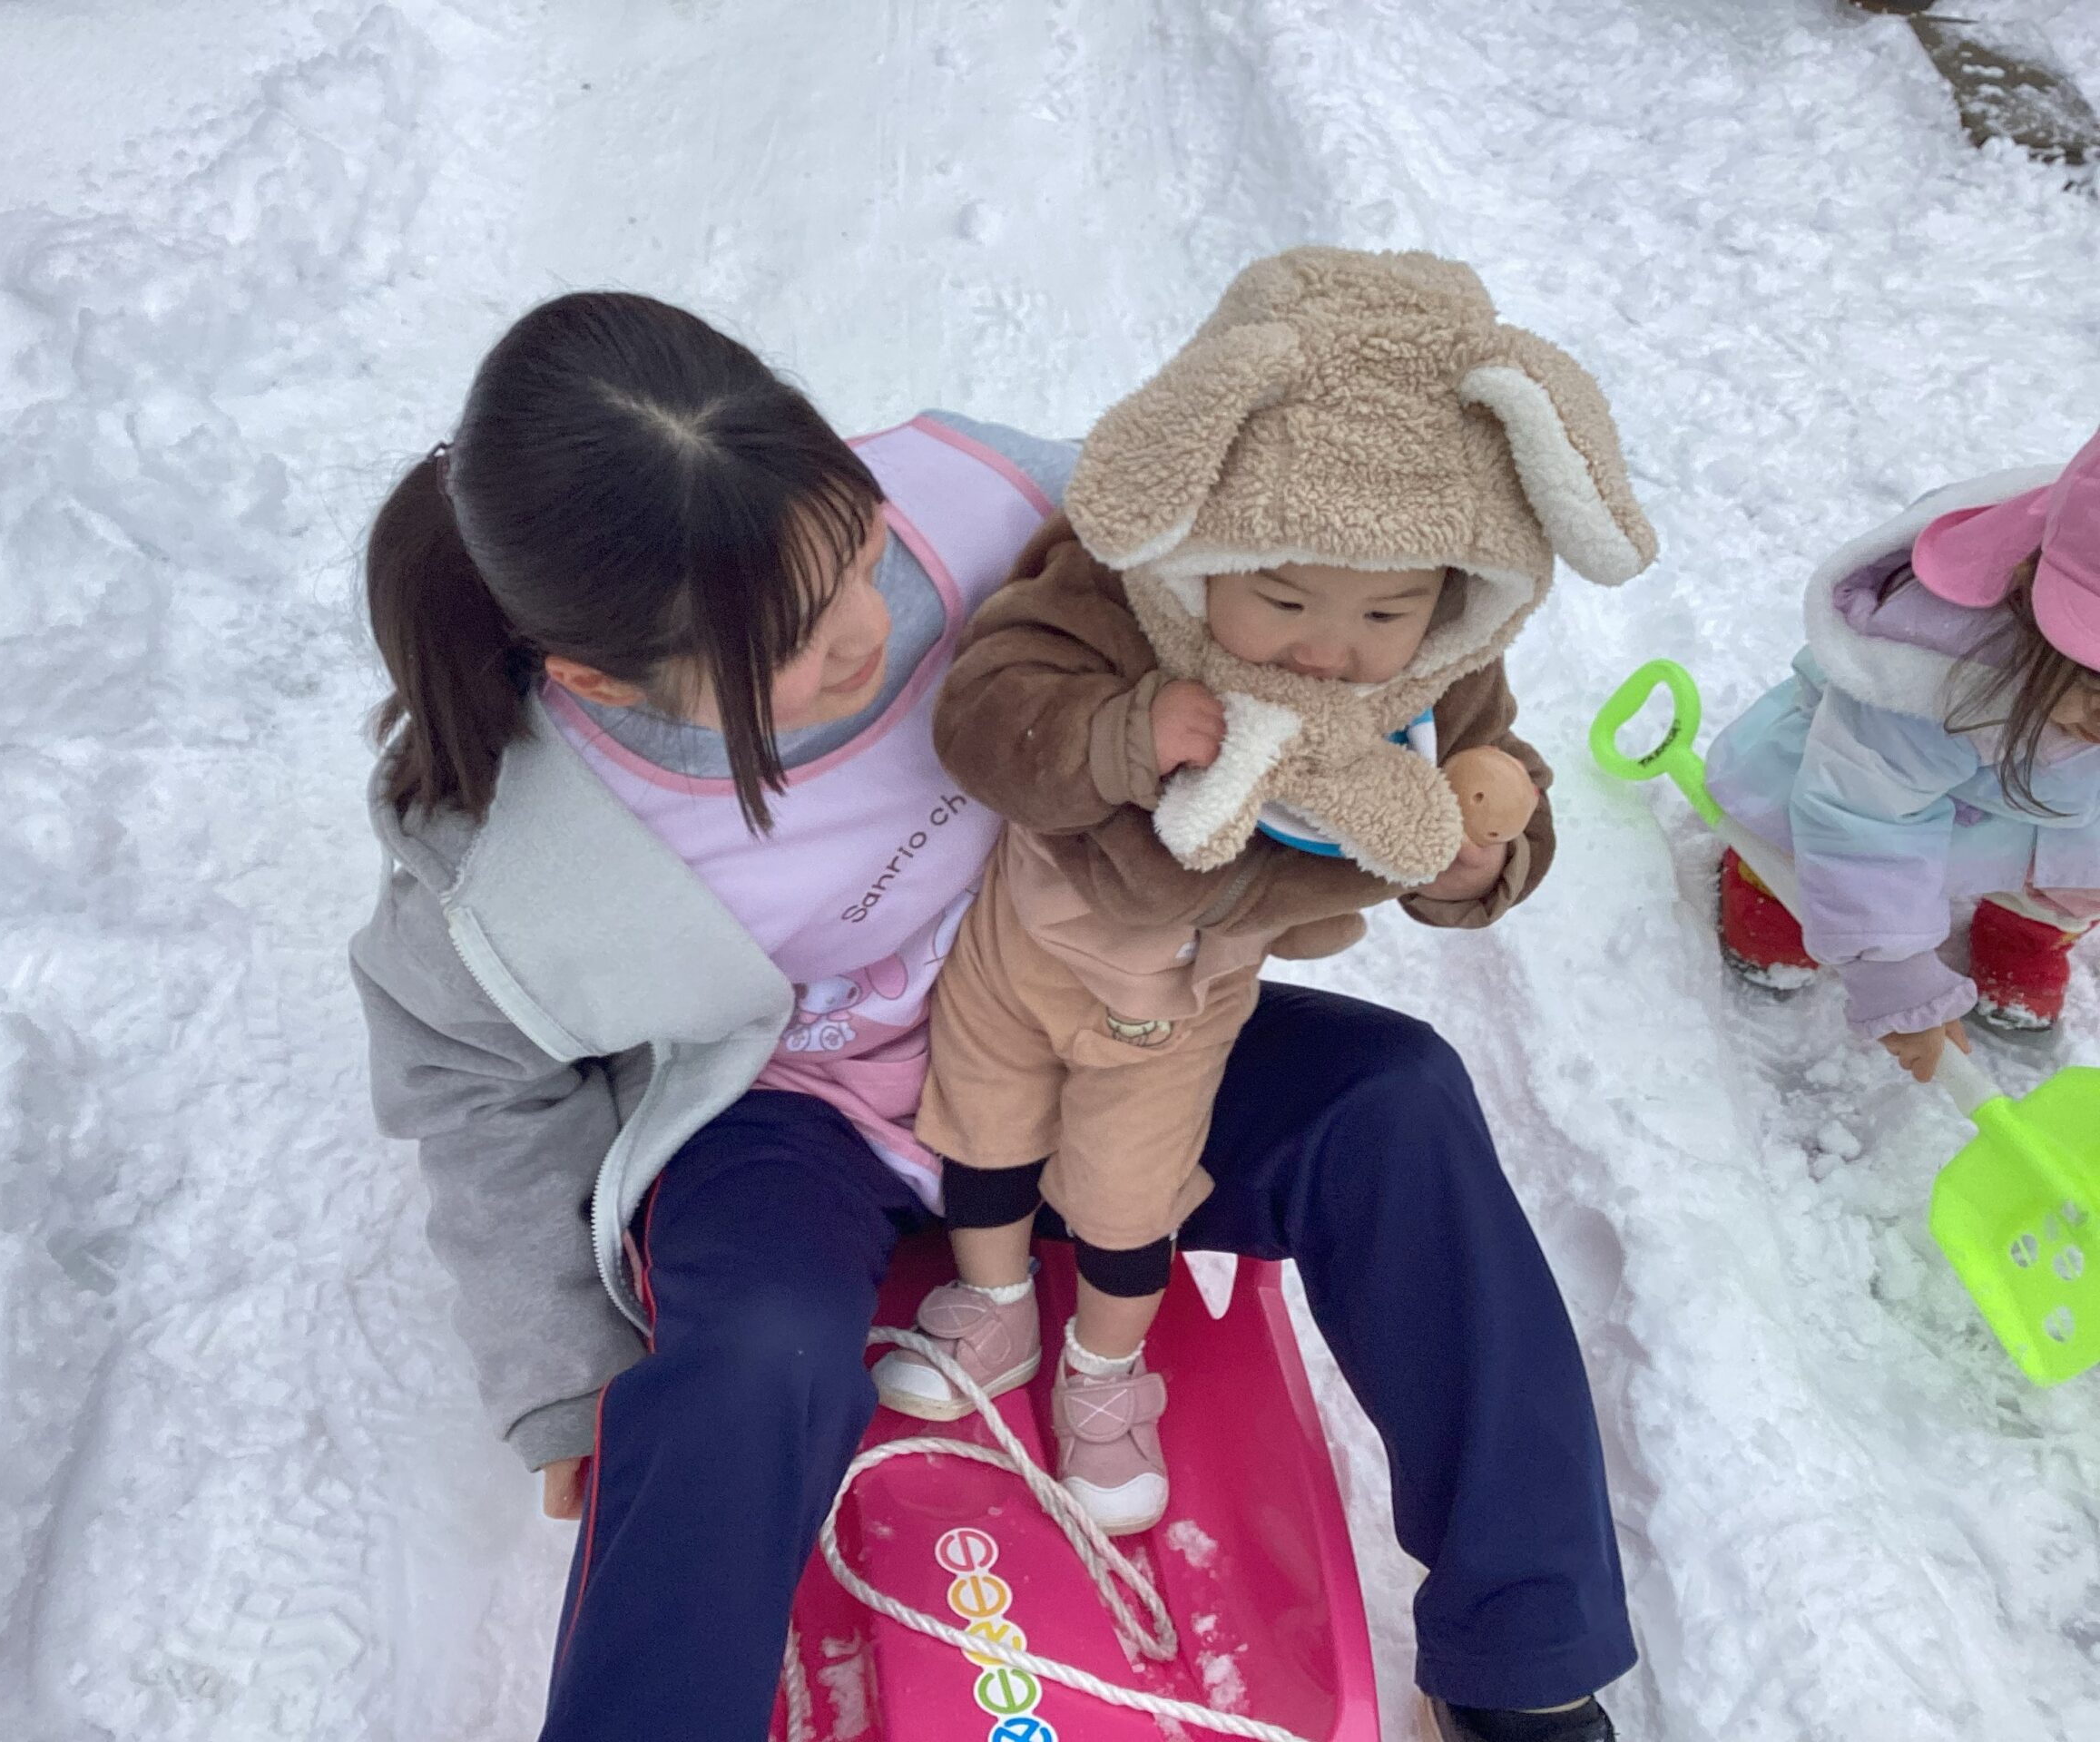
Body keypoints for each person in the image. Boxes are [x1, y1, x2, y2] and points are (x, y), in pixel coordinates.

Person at [349, 287, 1640, 1742]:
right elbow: (468, 1077)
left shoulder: (1004, 503)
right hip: (798, 1119)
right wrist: (561, 1374)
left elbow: (1351, 621)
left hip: (1097, 1032)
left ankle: (1525, 1651)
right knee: (745, 1367)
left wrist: (1476, 831)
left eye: (853, 559)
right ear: (598, 678)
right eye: (783, 649)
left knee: (1391, 1098)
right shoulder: (531, 845)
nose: (859, 636)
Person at [869, 250, 1652, 1569]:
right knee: (985, 1123)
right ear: (1209, 545)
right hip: (1027, 942)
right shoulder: (1116, 595)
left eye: (1387, 611)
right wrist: (1124, 733)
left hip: (1181, 995)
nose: (1328, 648)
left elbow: (1485, 792)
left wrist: (1478, 853)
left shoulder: (1434, 676)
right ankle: (994, 1301)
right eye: (1283, 598)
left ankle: (1109, 1378)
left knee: (1127, 1190)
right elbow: (990, 717)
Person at [1704, 426, 2100, 1077]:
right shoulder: (1942, 671)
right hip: (1864, 791)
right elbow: (1861, 815)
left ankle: (2027, 926)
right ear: (2029, 592)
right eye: (2094, 684)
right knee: (1810, 832)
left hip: (2052, 813)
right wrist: (1892, 970)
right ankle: (1774, 889)